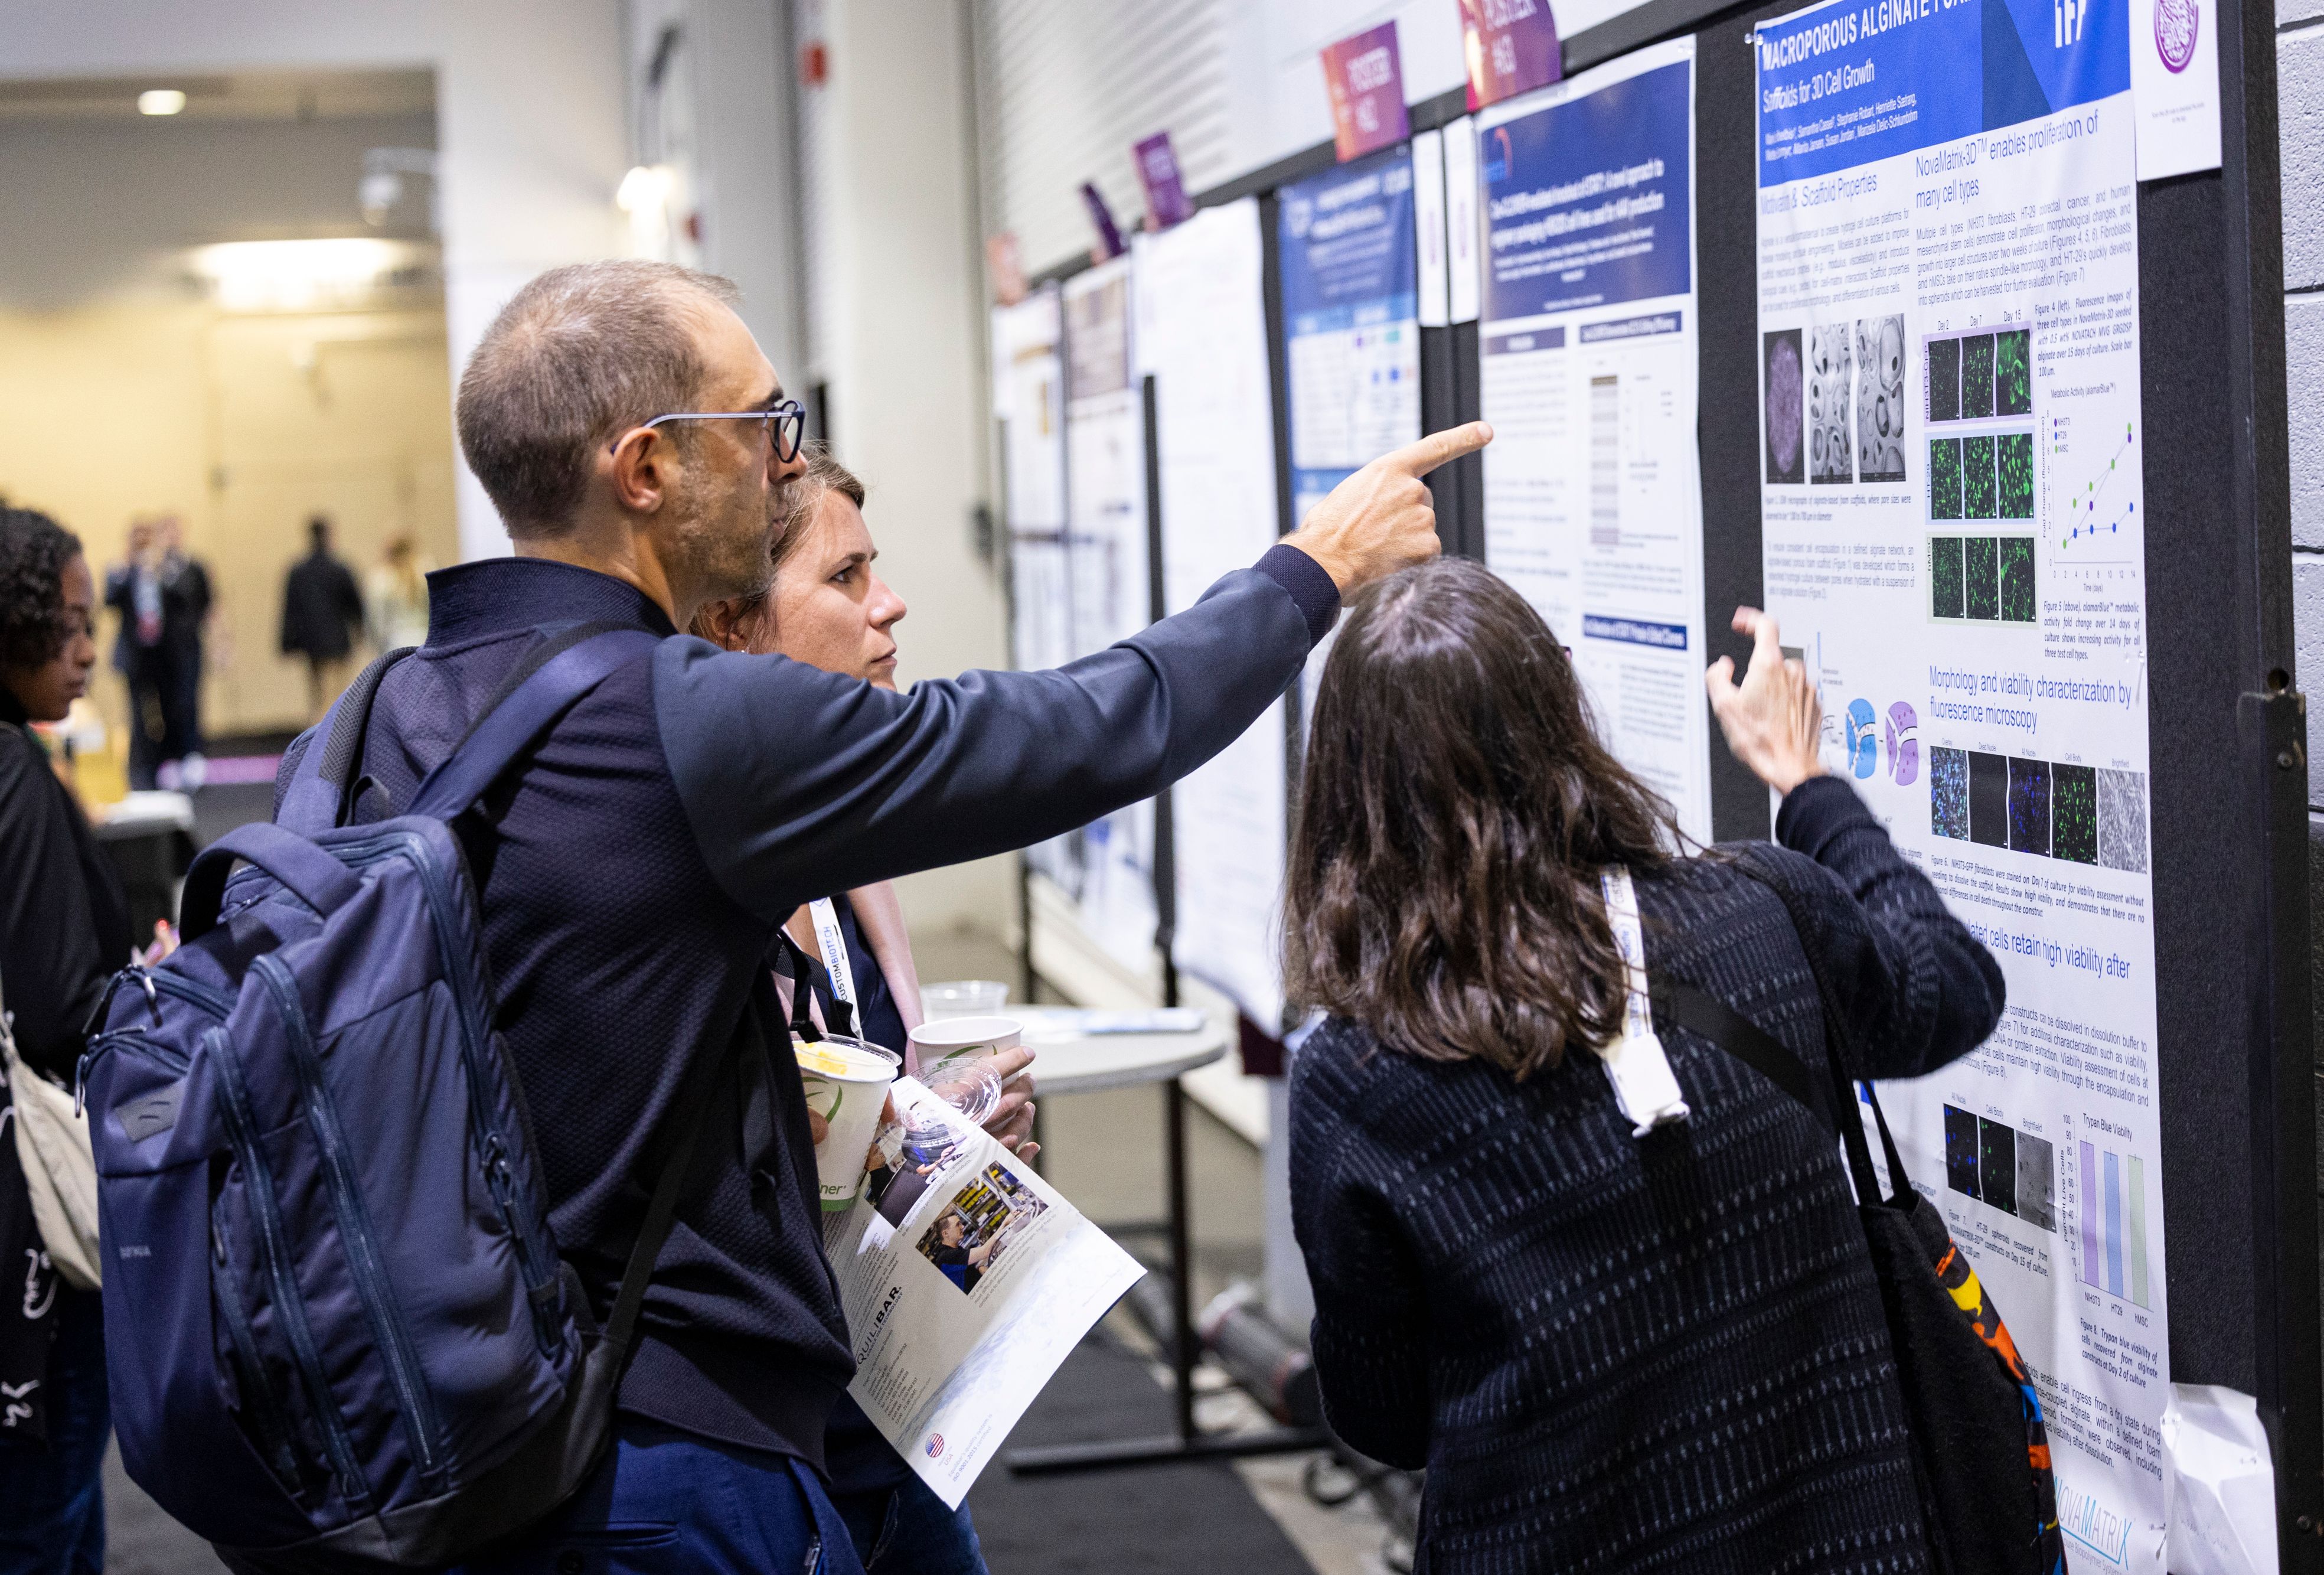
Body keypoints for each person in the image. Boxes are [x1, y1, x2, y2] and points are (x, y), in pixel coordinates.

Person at [270, 257, 1483, 1573]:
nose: (782, 464)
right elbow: (1080, 732)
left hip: (455, 1423)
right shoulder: (665, 716)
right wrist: (1312, 570)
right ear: (645, 470)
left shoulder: (366, 723)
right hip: (668, 1457)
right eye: (760, 427)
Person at [1284, 560, 2006, 1573]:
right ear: (1561, 720)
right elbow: (1954, 991)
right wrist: (1807, 785)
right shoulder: (1768, 912)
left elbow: (1386, 1417)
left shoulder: (1356, 1078)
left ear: (1346, 790)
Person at [690, 446, 1025, 1573]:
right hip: (774, 1466)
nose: (890, 604)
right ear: (736, 626)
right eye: (845, 578)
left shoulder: (830, 875)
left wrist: (946, 1139)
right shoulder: (690, 913)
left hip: (892, 1435)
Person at [0, 507, 131, 1575]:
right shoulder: (16, 779)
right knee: (47, 1524)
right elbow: (58, 1010)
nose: (91, 649)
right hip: (31, 1249)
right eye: (73, 622)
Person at [104, 516, 210, 790]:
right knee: (138, 716)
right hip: (136, 656)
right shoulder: (123, 571)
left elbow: (186, 601)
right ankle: (143, 771)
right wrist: (128, 565)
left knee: (173, 709)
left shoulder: (166, 570)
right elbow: (110, 599)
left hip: (164, 656)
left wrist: (162, 569)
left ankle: (174, 762)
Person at [278, 516, 363, 722]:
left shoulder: (298, 572)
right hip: (337, 643)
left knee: (317, 697)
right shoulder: (340, 569)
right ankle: (332, 741)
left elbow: (290, 610)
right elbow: (356, 607)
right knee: (336, 696)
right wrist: (359, 634)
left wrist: (288, 642)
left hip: (311, 644)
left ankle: (318, 736)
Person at [365, 533, 433, 654]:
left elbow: (377, 618)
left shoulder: (381, 579)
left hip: (395, 644)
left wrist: (377, 645)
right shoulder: (426, 572)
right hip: (425, 638)